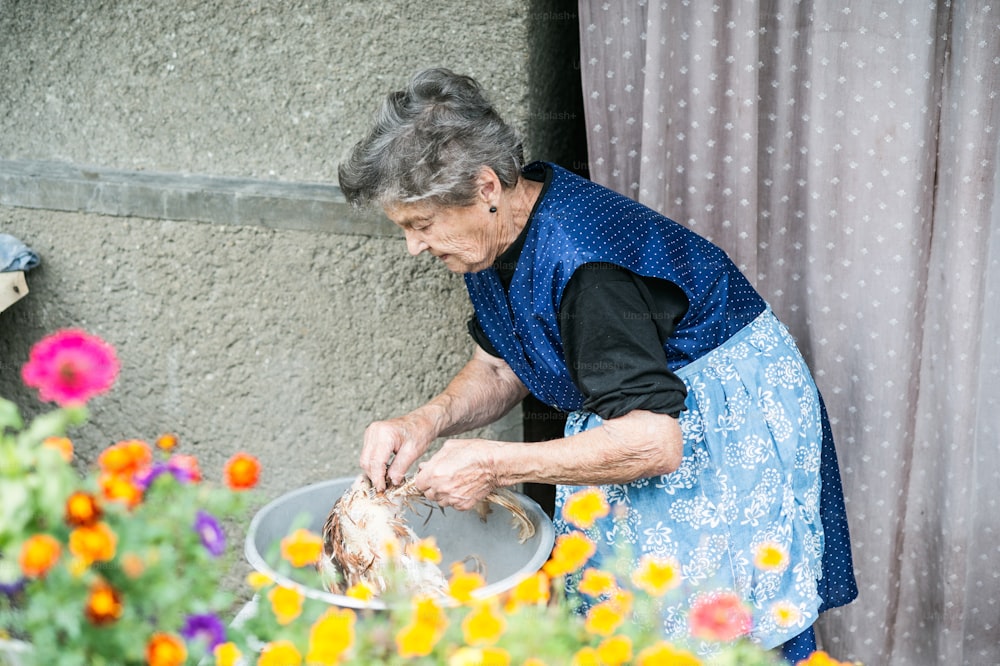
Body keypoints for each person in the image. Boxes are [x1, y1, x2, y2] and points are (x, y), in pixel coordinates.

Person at [338, 67, 858, 661]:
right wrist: (423, 422)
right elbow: (502, 365)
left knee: (723, 628)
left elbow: (656, 443)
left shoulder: (588, 270)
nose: (414, 246)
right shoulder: (496, 235)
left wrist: (497, 463)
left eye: (420, 225)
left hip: (713, 422)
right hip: (640, 412)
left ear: (485, 186)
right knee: (630, 621)